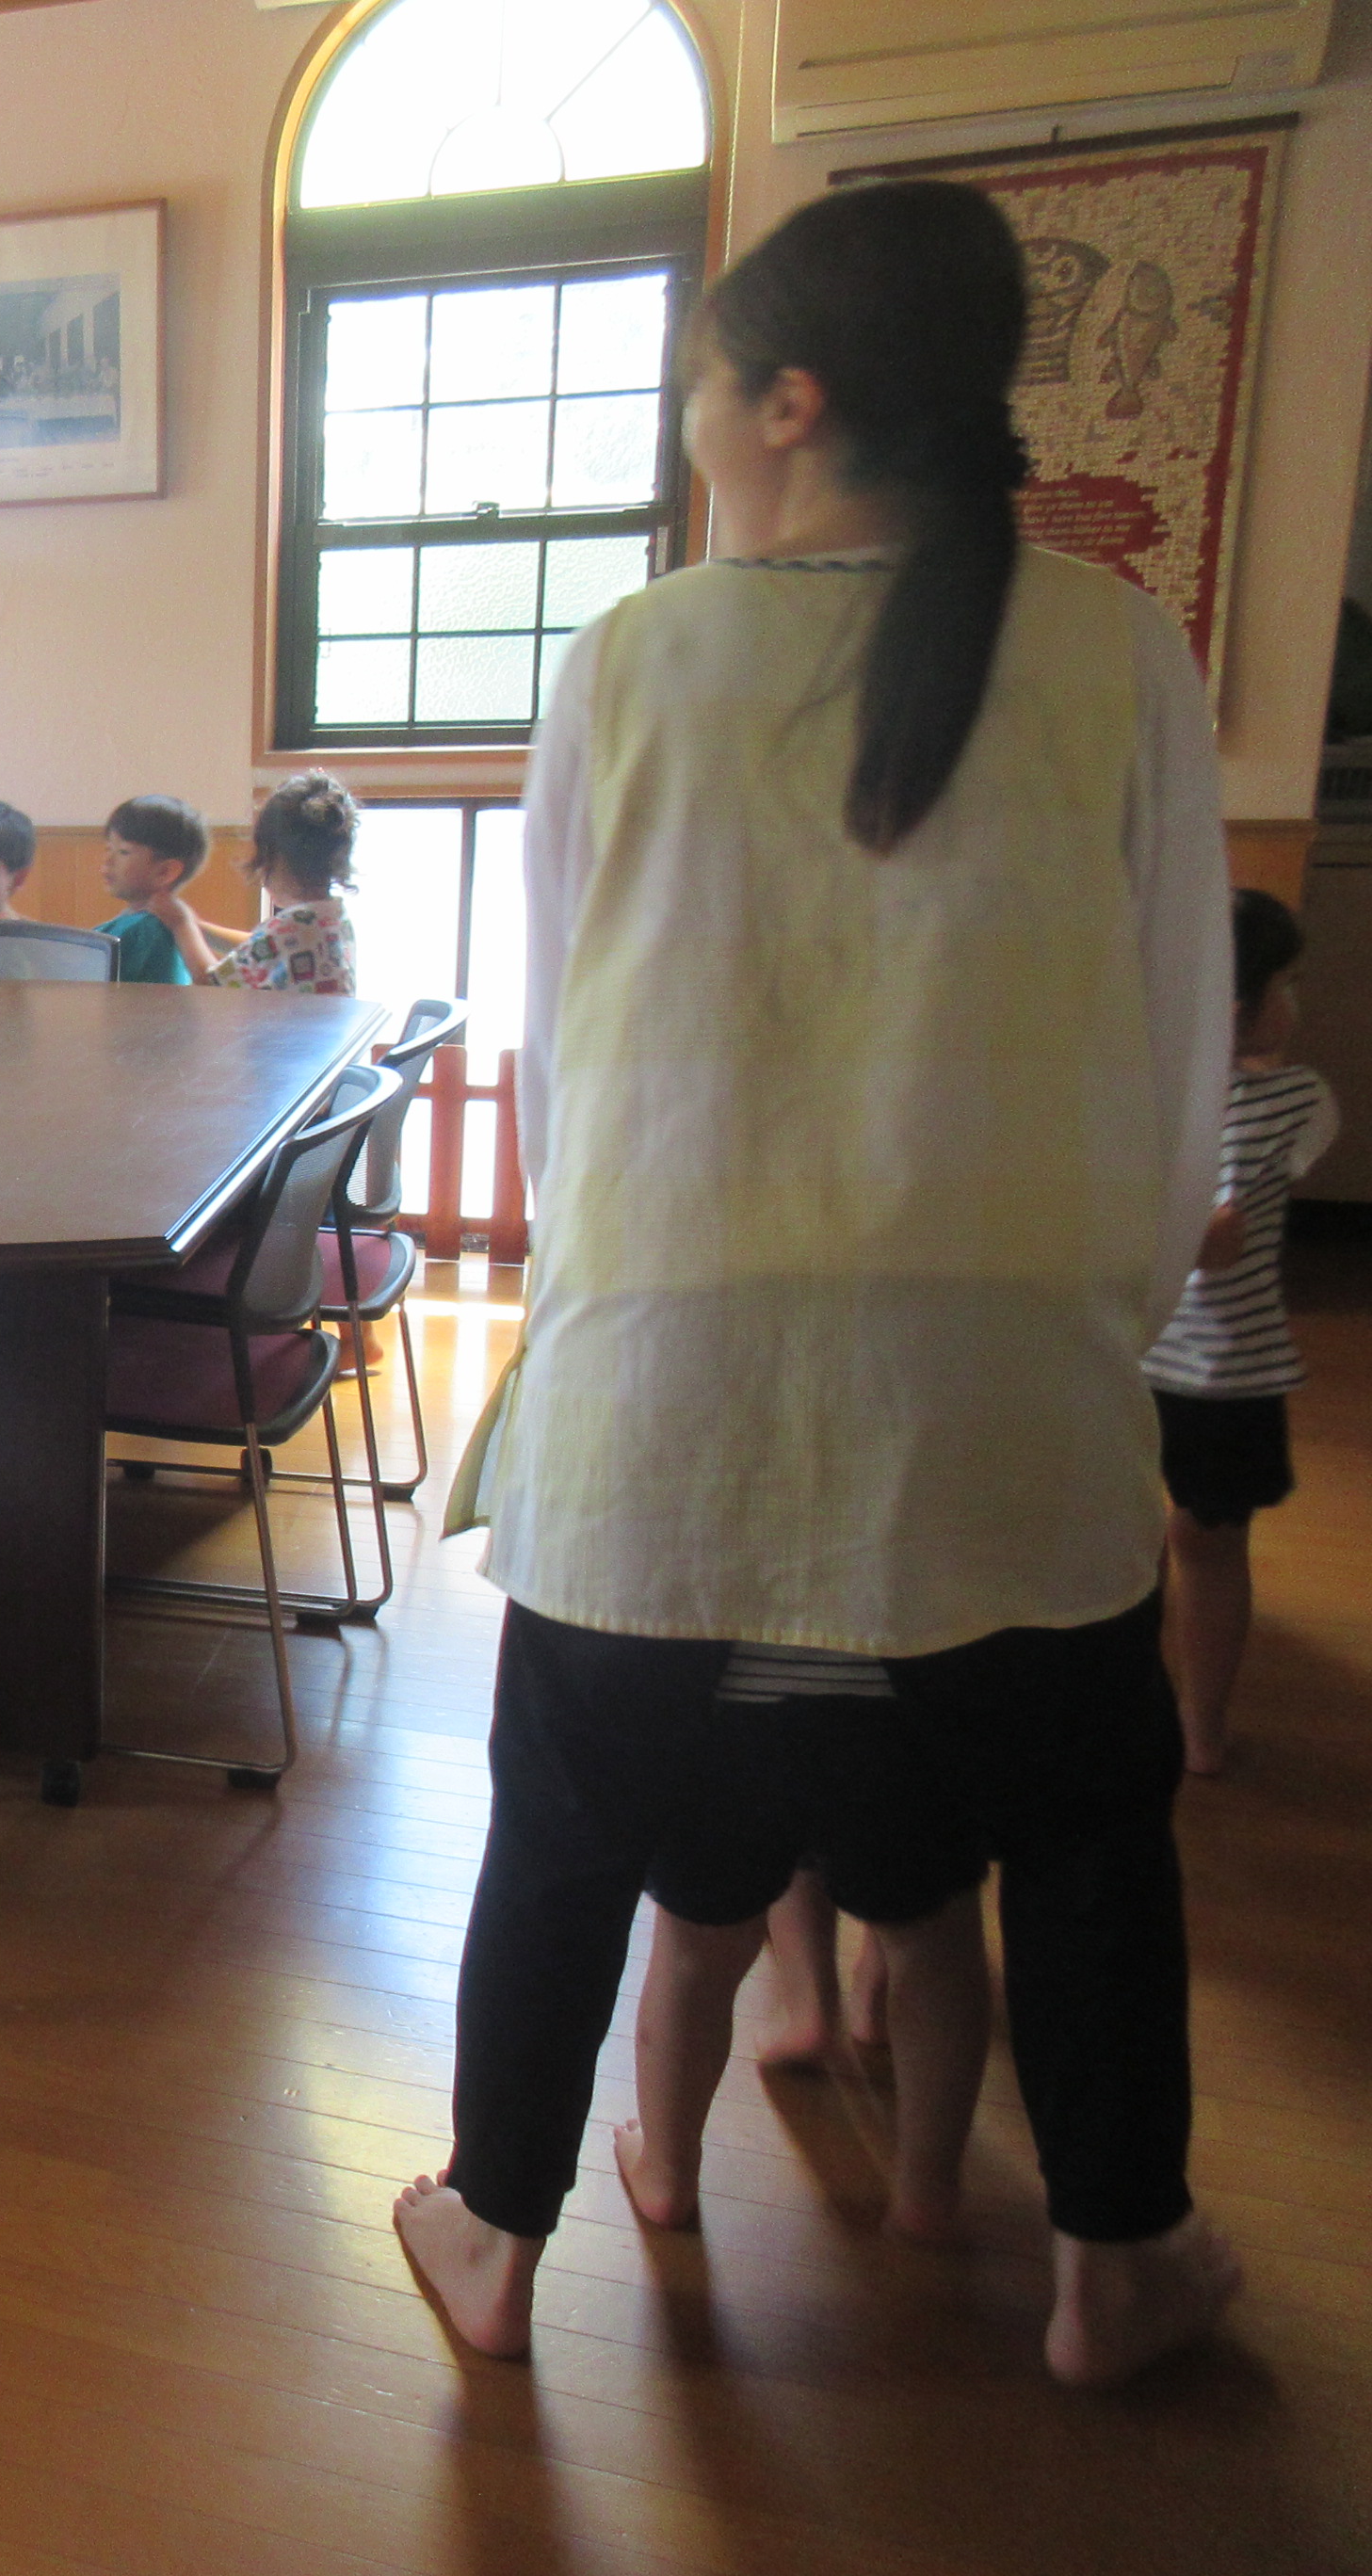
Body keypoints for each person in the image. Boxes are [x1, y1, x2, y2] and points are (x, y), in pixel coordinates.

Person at [391, 181, 1241, 2389]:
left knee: (563, 1837)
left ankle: (494, 2226)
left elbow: (570, 1075)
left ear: (786, 401)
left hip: (664, 1407)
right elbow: (1179, 1070)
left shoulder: (633, 654)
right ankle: (1116, 2260)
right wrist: (1089, 1328)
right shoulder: (1121, 650)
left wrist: (637, 1287)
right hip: (1008, 1413)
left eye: (699, 386)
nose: (689, 427)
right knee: (1088, 1840)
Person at [609, 1647, 993, 2248]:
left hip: (734, 1693)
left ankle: (667, 2172)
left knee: (695, 1955)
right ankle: (928, 2191)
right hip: (905, 1686)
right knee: (932, 1947)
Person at [1146, 887, 1339, 1775]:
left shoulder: (1277, 1100)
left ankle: (1180, 1715)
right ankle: (1188, 1720)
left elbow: (1212, 1242)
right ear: (1232, 1008)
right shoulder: (1282, 1098)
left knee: (1172, 1540)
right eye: (1286, 984)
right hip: (1195, 1369)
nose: (1297, 1002)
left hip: (1178, 1364)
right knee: (1189, 1545)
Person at [216, 773, 363, 995]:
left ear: (277, 859)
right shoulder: (333, 917)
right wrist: (197, 927)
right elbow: (256, 948)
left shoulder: (287, 927)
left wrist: (182, 926)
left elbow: (212, 983)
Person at [96, 795, 223, 986]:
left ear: (165, 871)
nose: (108, 860)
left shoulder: (149, 927)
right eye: (108, 849)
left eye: (123, 851)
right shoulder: (137, 922)